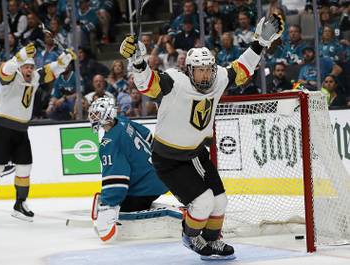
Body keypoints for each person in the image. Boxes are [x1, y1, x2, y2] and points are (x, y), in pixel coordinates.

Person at [120, 14, 283, 260]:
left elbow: (241, 69)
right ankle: (190, 235)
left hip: (196, 154)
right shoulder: (174, 82)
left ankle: (212, 240)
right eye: (200, 71)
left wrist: (261, 43)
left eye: (208, 70)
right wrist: (138, 61)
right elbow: (147, 85)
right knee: (203, 202)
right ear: (189, 70)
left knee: (220, 201)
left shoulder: (218, 78)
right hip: (168, 159)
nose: (205, 76)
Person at [0, 43, 76, 221]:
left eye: (31, 67)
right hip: (2, 127)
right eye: (26, 67)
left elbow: (52, 70)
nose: (29, 70)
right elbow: (5, 69)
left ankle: (20, 203)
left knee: (25, 167)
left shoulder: (35, 77)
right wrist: (18, 57)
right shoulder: (11, 76)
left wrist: (65, 59)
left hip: (21, 129)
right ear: (20, 67)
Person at [88, 97, 168, 242]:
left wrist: (107, 207)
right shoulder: (124, 122)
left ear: (107, 114)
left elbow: (117, 181)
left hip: (144, 189)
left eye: (98, 114)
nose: (93, 117)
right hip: (160, 177)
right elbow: (148, 136)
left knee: (117, 205)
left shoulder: (110, 143)